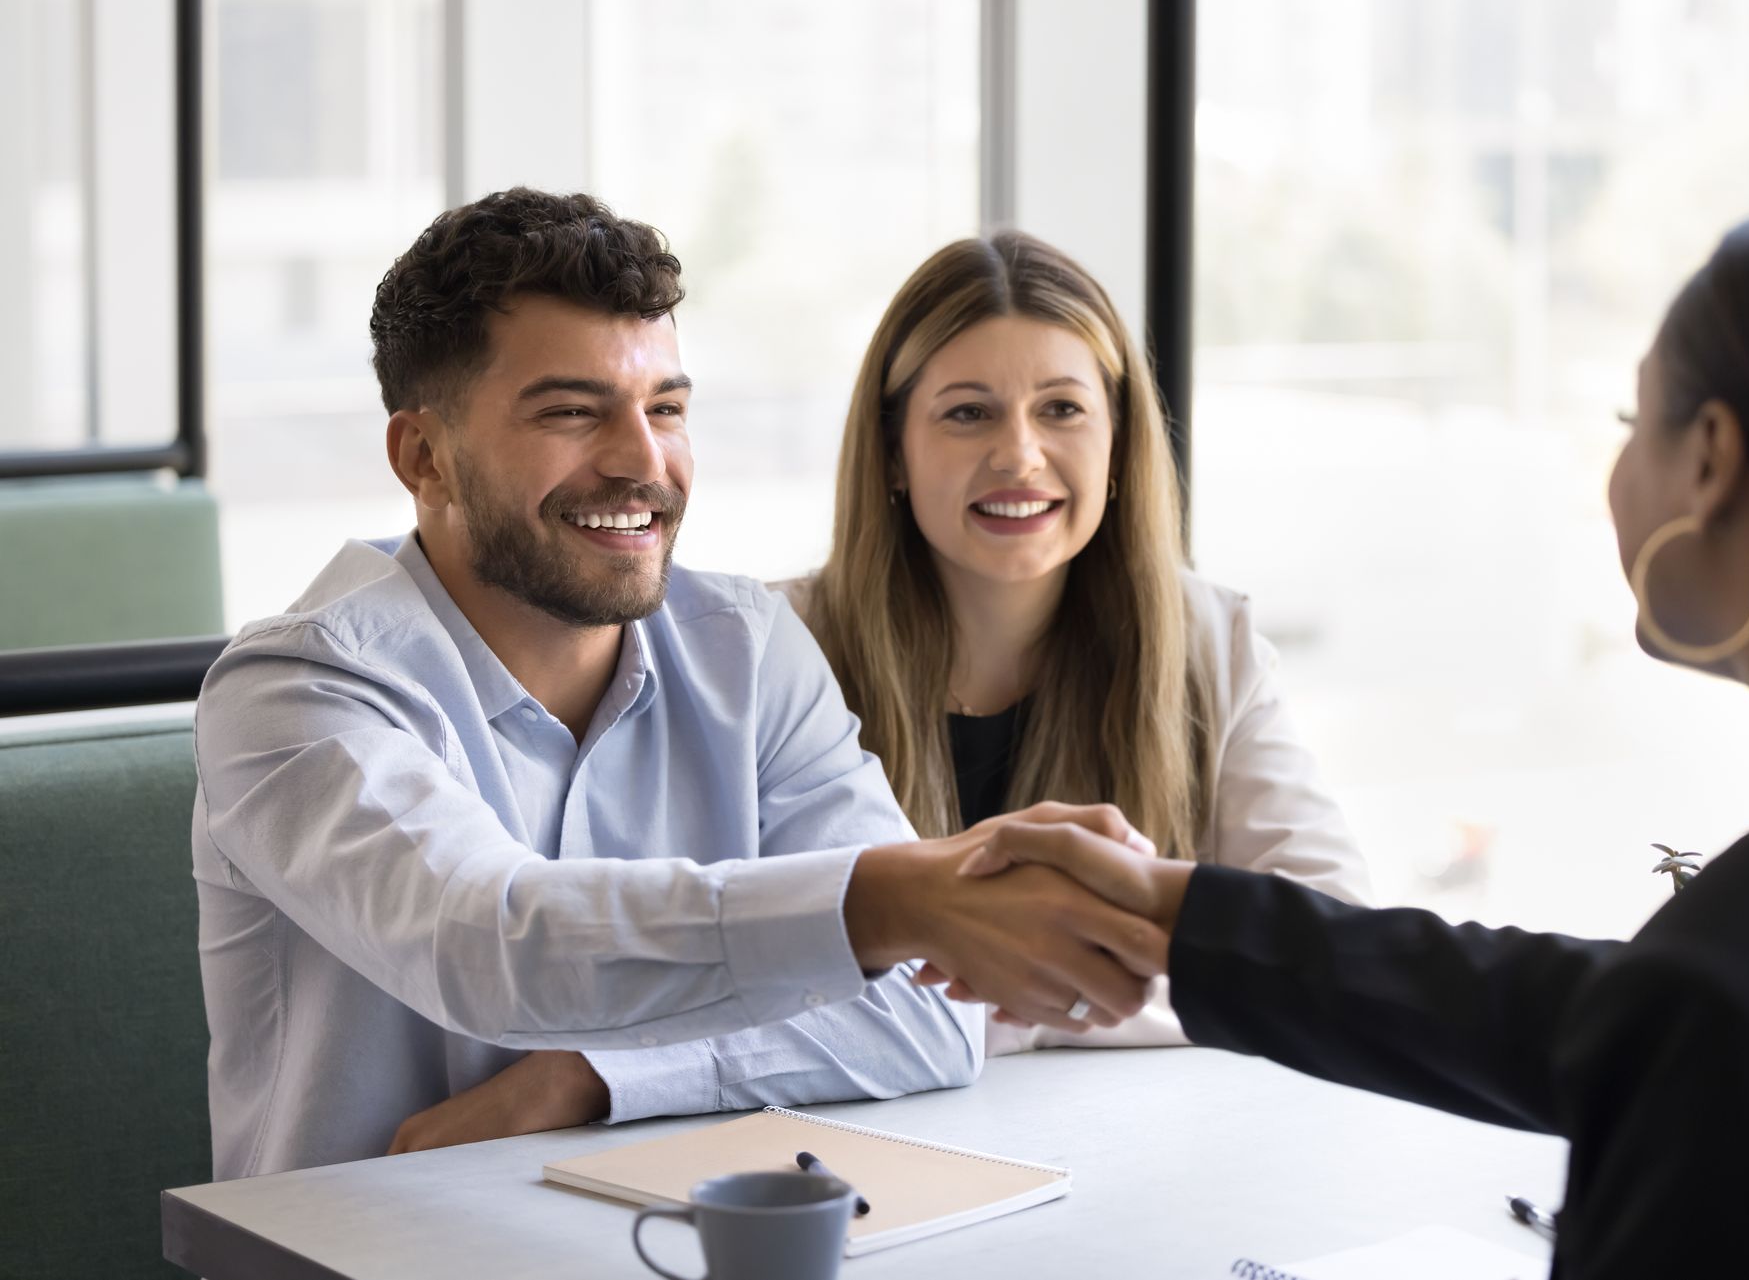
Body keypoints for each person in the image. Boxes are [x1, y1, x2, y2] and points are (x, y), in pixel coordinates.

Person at [946, 194, 1749, 1278]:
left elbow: (1684, 1019)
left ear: (1712, 462)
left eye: (1628, 424)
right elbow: (1599, 1014)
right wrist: (1181, 915)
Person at [191, 189, 1165, 1178]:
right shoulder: (295, 692)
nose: (641, 461)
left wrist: (598, 1078)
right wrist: (891, 901)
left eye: (665, 408)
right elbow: (486, 941)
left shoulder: (749, 648)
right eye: (571, 412)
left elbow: (923, 1022)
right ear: (425, 457)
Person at [778, 231, 1370, 1052]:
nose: (1019, 454)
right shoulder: (777, 651)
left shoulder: (1212, 643)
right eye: (967, 412)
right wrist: (1117, 977)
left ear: (1119, 443)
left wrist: (984, 1002)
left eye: (1061, 409)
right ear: (893, 453)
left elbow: (1332, 946)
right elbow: (725, 976)